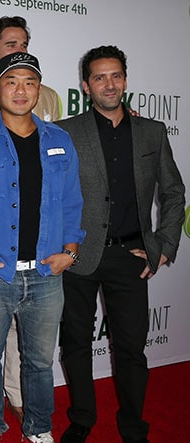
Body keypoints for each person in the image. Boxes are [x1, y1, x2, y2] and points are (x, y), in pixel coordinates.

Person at [0, 52, 85, 443]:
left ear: (39, 90)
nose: (20, 90)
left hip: (45, 273)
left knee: (40, 363)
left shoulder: (60, 140)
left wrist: (70, 251)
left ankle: (39, 429)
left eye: (29, 82)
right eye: (11, 82)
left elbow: (73, 201)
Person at [57, 46, 185, 443]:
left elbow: (174, 192)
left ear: (125, 81)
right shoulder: (66, 131)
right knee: (76, 343)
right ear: (86, 85)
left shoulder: (152, 131)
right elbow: (52, 194)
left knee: (131, 350)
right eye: (99, 77)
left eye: (115, 76)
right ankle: (82, 418)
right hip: (79, 255)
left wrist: (163, 244)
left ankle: (133, 427)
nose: (109, 84)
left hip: (132, 256)